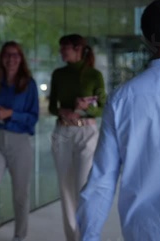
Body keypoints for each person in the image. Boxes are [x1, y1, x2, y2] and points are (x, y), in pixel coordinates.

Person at [77, 0, 160, 241]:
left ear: (147, 39)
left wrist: (89, 237)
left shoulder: (122, 99)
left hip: (144, 232)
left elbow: (101, 183)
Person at [0, 41, 39, 241]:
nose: (11, 59)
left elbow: (33, 117)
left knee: (21, 195)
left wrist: (11, 113)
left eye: (15, 55)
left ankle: (20, 236)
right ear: (1, 59)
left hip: (20, 142)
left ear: (21, 59)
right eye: (7, 55)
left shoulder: (29, 84)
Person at [48, 34, 106, 241]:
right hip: (63, 132)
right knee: (65, 188)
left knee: (83, 187)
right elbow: (51, 107)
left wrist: (85, 108)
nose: (62, 52)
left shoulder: (94, 75)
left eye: (65, 48)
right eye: (61, 48)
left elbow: (102, 108)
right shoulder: (58, 74)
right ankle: (72, 237)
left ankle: (87, 236)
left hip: (86, 133)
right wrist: (63, 111)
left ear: (78, 48)